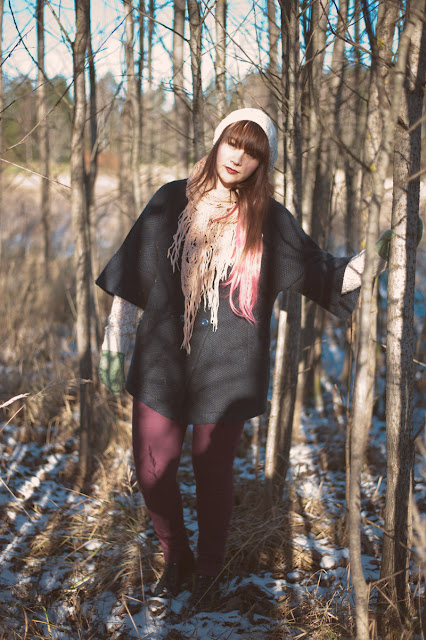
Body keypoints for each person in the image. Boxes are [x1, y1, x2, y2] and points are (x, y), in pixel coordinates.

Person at [96, 108, 388, 607]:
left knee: (213, 474)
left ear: (262, 162)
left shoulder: (269, 220)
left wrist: (380, 255)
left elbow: (327, 275)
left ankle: (209, 569)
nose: (238, 157)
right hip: (162, 360)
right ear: (218, 142)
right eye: (233, 143)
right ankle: (176, 556)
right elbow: (133, 279)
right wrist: (114, 342)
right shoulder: (170, 199)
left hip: (229, 366)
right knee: (152, 469)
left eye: (252, 152)